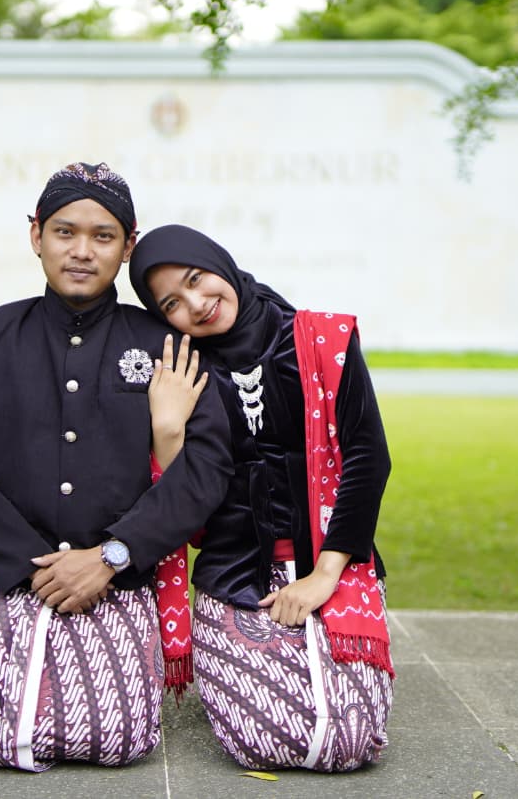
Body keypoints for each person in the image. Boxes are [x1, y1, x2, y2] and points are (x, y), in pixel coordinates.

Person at [0, 165, 232, 772]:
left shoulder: (164, 344)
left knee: (117, 739)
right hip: (8, 575)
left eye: (103, 236)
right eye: (65, 232)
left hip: (118, 576)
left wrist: (111, 557)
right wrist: (33, 569)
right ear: (36, 235)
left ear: (128, 246)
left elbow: (206, 467)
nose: (82, 251)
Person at [128, 224, 395, 772]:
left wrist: (324, 576)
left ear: (220, 263)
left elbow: (368, 459)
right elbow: (189, 511)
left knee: (349, 737)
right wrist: (168, 431)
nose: (196, 305)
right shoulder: (185, 374)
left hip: (333, 562)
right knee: (262, 737)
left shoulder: (323, 339)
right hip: (232, 574)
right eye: (172, 303)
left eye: (196, 279)